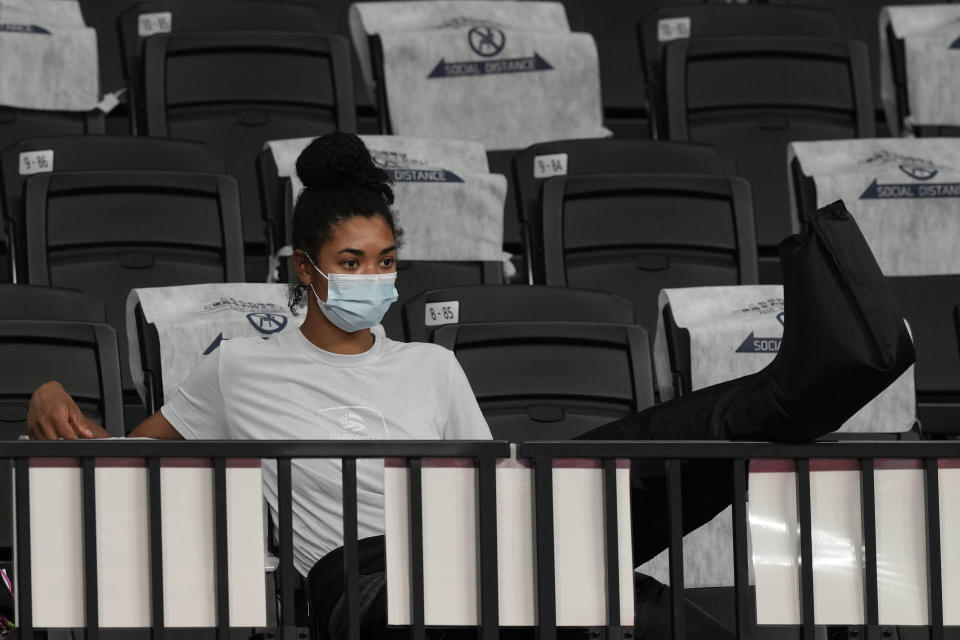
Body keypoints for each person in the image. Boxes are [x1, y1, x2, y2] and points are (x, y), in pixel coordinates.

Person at [26, 133, 916, 640]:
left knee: (631, 476)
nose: (373, 277)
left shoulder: (432, 364)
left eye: (385, 260)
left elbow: (497, 487)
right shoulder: (237, 368)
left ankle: (796, 390)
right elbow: (120, 462)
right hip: (368, 582)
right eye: (350, 262)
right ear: (304, 269)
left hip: (475, 540)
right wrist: (47, 395)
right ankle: (794, 388)